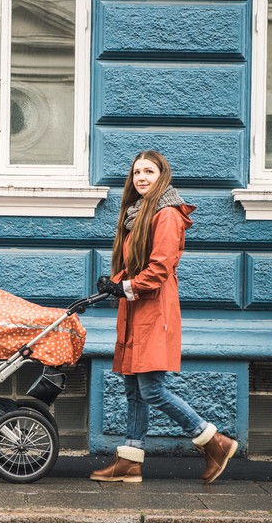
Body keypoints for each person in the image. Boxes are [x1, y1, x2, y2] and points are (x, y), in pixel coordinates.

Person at [91, 150, 237, 484]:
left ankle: (212, 440)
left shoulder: (166, 214)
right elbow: (137, 265)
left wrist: (125, 287)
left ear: (162, 176)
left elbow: (158, 269)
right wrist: (114, 284)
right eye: (136, 172)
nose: (141, 177)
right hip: (136, 309)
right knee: (133, 389)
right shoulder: (138, 213)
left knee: (151, 389)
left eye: (149, 172)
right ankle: (130, 460)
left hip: (154, 309)